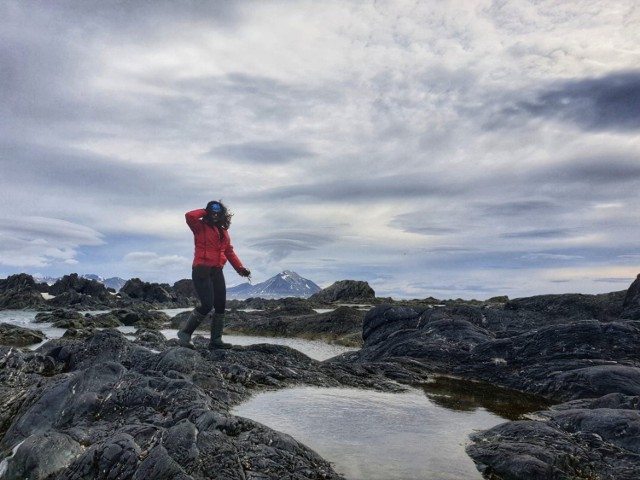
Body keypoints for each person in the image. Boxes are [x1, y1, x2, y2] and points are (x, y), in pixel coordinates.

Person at [178, 200, 251, 350]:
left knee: (220, 305)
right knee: (206, 305)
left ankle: (215, 341)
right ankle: (185, 334)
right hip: (201, 270)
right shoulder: (199, 227)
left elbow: (229, 252)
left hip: (217, 271)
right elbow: (189, 215)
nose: (215, 216)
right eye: (213, 213)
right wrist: (206, 210)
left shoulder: (223, 232)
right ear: (208, 213)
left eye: (218, 213)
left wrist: (240, 268)